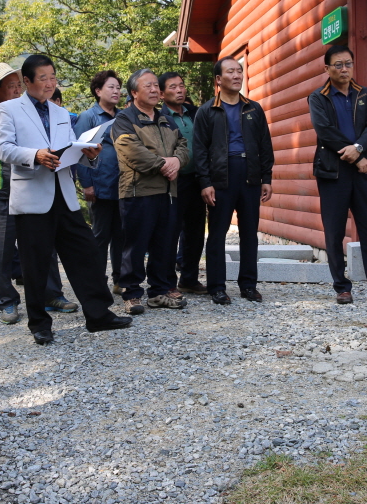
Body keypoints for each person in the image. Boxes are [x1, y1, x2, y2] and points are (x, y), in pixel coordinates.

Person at [0, 54, 131, 344]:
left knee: (86, 253)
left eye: (53, 77)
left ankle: (98, 315)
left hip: (64, 195)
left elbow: (70, 149)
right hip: (32, 197)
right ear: (27, 81)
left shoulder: (60, 112)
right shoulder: (8, 109)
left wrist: (87, 154)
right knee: (35, 264)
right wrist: (34, 155)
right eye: (42, 78)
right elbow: (4, 149)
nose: (49, 83)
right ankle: (39, 324)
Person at [0, 62, 74, 325]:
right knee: (1, 251)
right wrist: (5, 132)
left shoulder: (37, 113)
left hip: (33, 188)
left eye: (19, 84)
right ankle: (8, 301)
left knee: (45, 246)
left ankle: (52, 294)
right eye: (10, 86)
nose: (17, 90)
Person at [309, 46, 367, 306]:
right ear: (326, 68)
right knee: (335, 231)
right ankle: (342, 286)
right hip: (332, 172)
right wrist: (357, 155)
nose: (344, 69)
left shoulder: (363, 94)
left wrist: (360, 148)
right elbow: (324, 131)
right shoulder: (318, 97)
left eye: (348, 64)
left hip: (361, 172)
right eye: (338, 65)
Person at [193, 58, 274, 305]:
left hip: (249, 174)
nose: (237, 75)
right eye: (231, 72)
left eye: (240, 71)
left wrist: (266, 177)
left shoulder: (253, 108)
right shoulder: (207, 111)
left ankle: (248, 285)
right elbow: (200, 149)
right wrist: (205, 182)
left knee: (250, 233)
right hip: (220, 178)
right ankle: (217, 287)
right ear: (218, 80)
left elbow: (264, 144)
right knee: (217, 233)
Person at [112, 69, 191, 314]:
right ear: (134, 92)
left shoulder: (165, 118)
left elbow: (183, 145)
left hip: (168, 191)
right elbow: (132, 151)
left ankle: (159, 292)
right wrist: (164, 164)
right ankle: (131, 293)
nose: (155, 90)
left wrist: (178, 161)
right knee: (135, 245)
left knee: (164, 245)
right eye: (148, 86)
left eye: (156, 85)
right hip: (138, 192)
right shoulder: (124, 119)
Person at [75, 70, 125, 294]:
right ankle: (96, 281)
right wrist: (86, 184)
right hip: (100, 185)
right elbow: (78, 152)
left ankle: (120, 280)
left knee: (121, 236)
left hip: (123, 185)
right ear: (98, 91)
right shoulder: (88, 116)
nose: (116, 91)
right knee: (100, 236)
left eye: (118, 87)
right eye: (111, 87)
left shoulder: (123, 115)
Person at [160, 72, 207, 295]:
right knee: (170, 231)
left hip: (197, 179)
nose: (179, 90)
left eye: (181, 86)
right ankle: (167, 282)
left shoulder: (195, 113)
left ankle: (189, 278)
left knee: (196, 233)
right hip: (173, 181)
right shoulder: (159, 117)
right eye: (173, 87)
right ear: (161, 93)